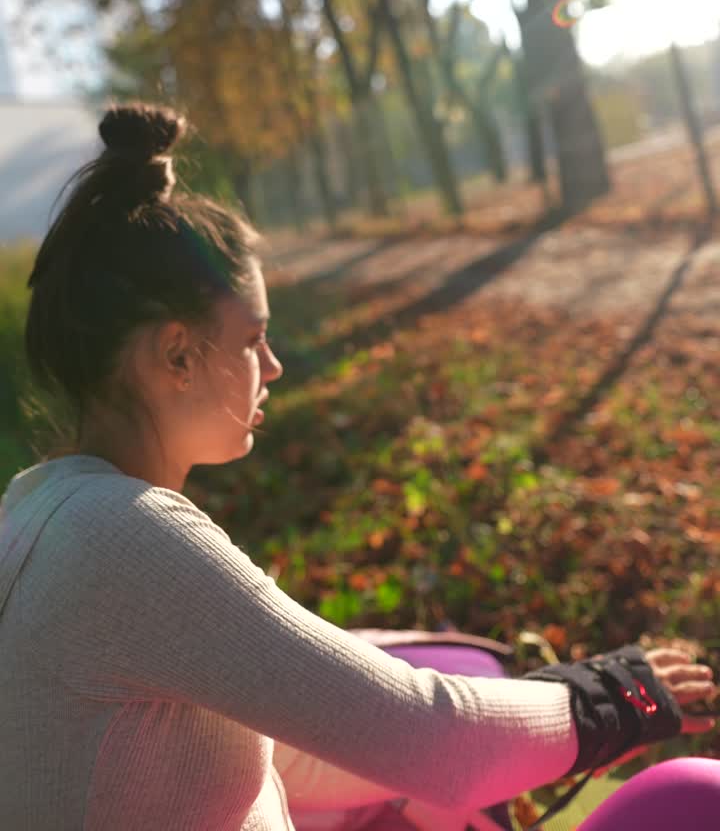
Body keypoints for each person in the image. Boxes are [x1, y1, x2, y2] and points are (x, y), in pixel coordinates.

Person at [0, 101, 718, 831]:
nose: (272, 366)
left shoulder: (36, 508)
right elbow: (435, 741)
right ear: (178, 354)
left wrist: (522, 720)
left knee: (457, 701)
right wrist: (617, 695)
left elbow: (286, 745)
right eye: (252, 339)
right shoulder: (129, 539)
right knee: (694, 798)